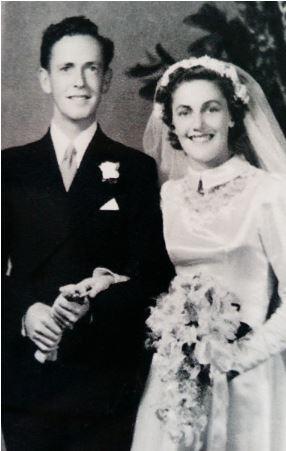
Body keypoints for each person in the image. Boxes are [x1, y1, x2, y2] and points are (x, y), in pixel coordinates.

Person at [2, 16, 174, 451]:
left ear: (108, 77)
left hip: (104, 383)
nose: (79, 81)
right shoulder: (9, 168)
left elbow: (154, 274)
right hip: (27, 381)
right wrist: (25, 314)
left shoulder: (135, 170)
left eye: (91, 68)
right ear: (44, 79)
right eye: (66, 68)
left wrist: (97, 306)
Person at [131, 56, 286, 451]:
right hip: (176, 379)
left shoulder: (268, 192)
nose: (197, 125)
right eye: (184, 112)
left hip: (247, 378)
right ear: (173, 125)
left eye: (210, 109)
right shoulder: (168, 197)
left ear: (232, 116)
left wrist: (239, 359)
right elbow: (152, 277)